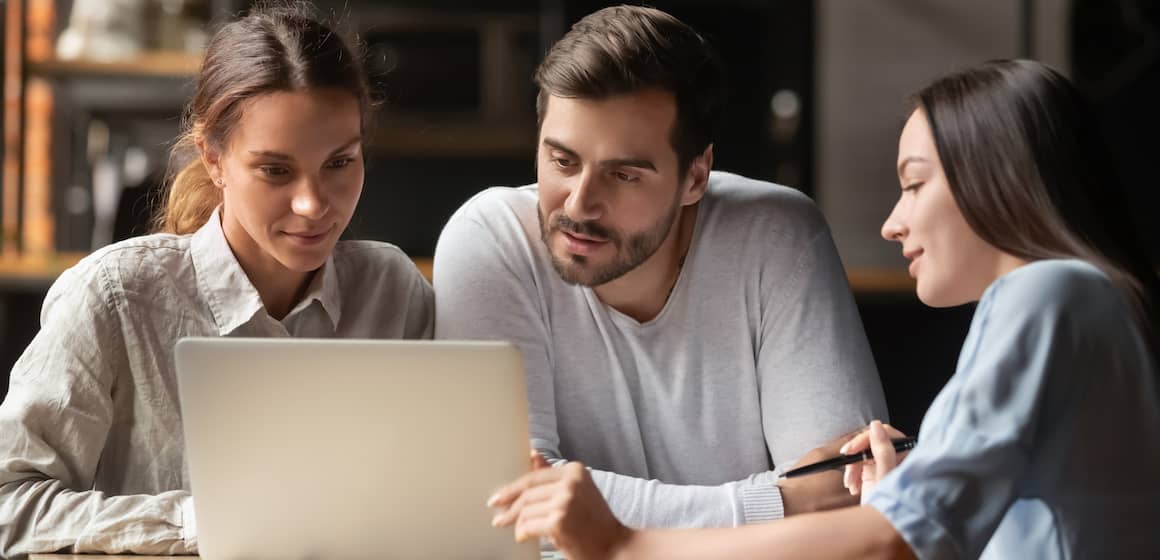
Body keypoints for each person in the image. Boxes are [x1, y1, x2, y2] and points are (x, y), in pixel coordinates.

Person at [487, 58, 1160, 559]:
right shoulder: (1094, 303)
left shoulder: (1048, 294)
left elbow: (890, 542)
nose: (893, 224)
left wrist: (627, 545)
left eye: (915, 185)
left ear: (997, 180)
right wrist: (894, 500)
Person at [0, 4, 433, 557]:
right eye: (276, 170)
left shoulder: (393, 289)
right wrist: (207, 520)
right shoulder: (114, 298)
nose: (312, 203)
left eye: (339, 163)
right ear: (213, 158)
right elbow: (10, 502)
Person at [434, 4, 886, 529]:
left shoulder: (778, 234)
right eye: (562, 161)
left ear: (696, 177)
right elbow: (508, 503)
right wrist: (779, 502)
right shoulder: (492, 239)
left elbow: (847, 495)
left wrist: (586, 511)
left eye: (623, 175)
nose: (579, 205)